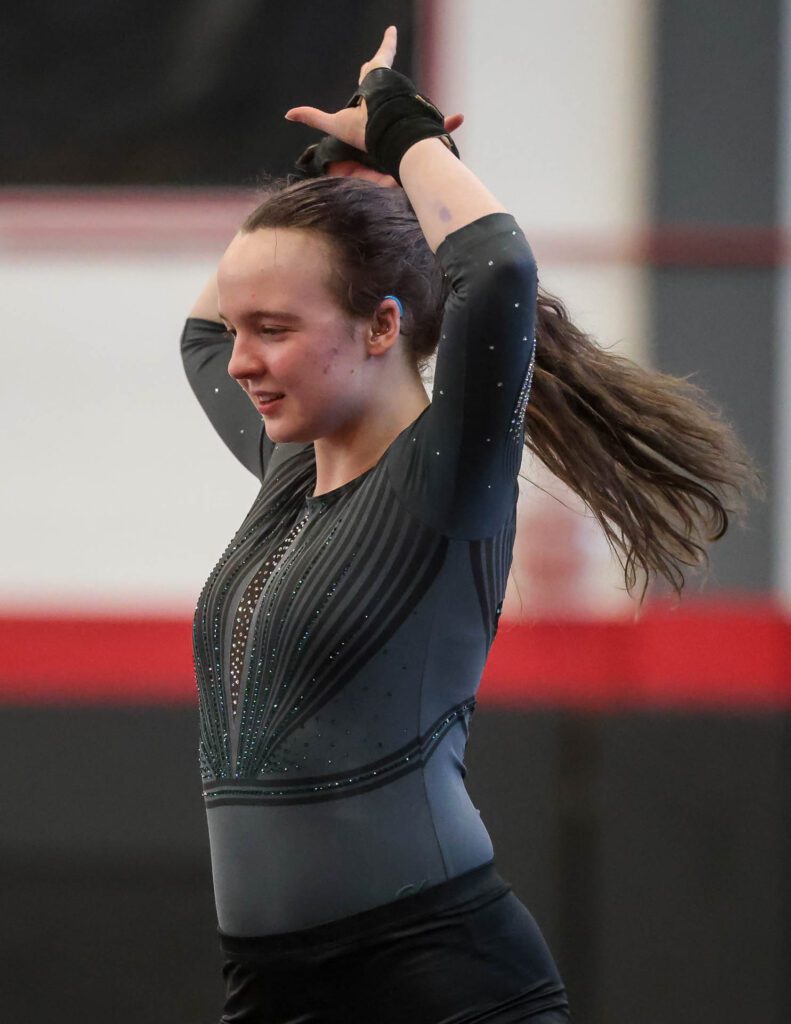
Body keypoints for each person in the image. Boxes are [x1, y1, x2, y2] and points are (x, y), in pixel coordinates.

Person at [181, 27, 760, 1024]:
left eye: (273, 330)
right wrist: (334, 180)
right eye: (244, 329)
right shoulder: (285, 473)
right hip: (270, 986)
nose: (239, 358)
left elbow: (494, 272)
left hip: (435, 979)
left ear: (382, 326)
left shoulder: (442, 481)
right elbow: (200, 331)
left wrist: (409, 139)